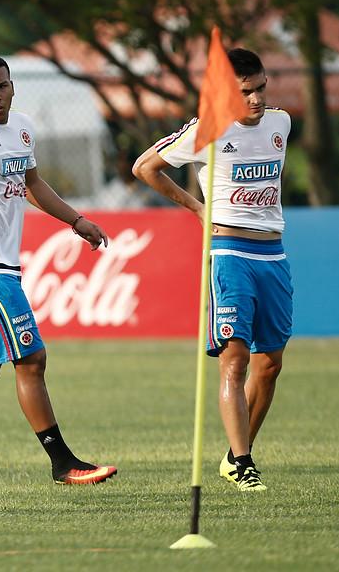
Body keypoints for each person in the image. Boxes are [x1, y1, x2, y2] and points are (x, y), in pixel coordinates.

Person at [0, 53, 118, 486]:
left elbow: (32, 185)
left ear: (12, 87)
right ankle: (63, 463)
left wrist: (76, 221)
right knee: (31, 358)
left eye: (2, 85)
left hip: (2, 266)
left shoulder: (23, 128)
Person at [132, 48, 291, 492]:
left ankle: (235, 454)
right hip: (230, 254)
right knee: (234, 361)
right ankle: (244, 464)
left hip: (273, 254)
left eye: (261, 88)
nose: (256, 99)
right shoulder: (209, 129)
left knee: (270, 365)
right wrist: (197, 208)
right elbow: (145, 167)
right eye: (245, 92)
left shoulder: (281, 123)